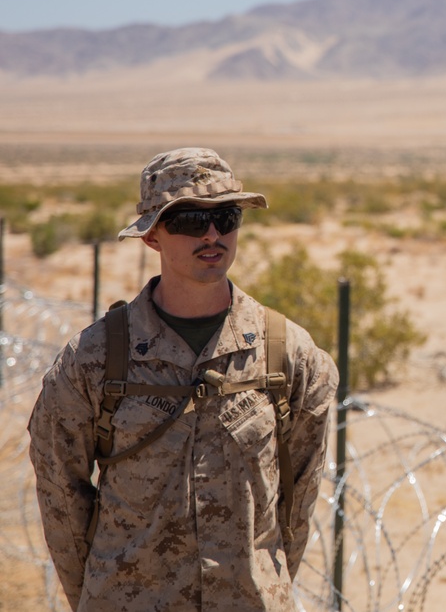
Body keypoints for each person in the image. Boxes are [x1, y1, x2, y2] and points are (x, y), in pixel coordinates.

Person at [28, 148, 338, 611]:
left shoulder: (288, 355)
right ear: (152, 236)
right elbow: (61, 499)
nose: (212, 235)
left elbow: (296, 505)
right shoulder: (93, 360)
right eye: (191, 220)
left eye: (227, 217)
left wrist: (262, 588)